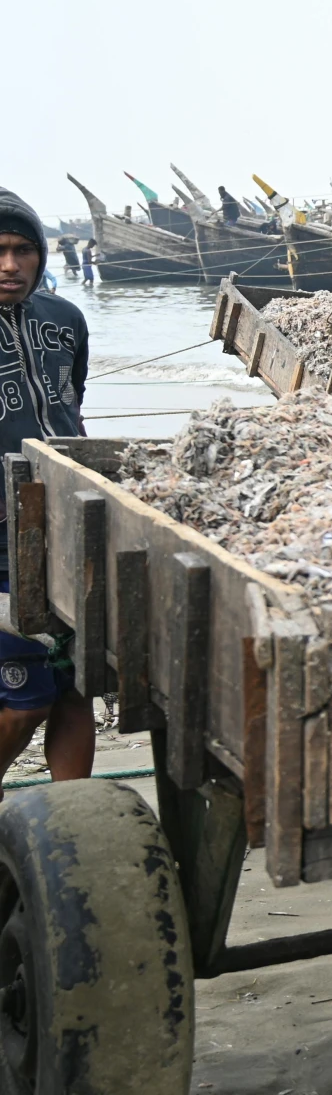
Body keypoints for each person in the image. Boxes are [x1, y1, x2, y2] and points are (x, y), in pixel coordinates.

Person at [0, 189, 94, 784]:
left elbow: (72, 403)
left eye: (22, 250)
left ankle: (76, 821)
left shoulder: (66, 319)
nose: (9, 264)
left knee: (73, 690)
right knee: (24, 699)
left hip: (68, 526)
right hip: (1, 545)